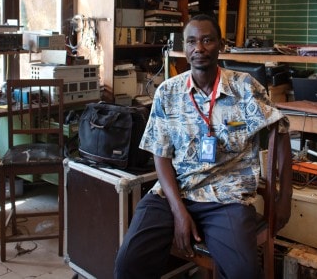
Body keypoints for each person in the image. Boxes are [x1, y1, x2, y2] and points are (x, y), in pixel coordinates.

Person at [114, 14, 293, 279]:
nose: (199, 48)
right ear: (184, 49)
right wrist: (178, 211)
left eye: (207, 40)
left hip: (226, 196)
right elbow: (160, 154)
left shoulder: (243, 87)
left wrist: (285, 198)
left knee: (243, 273)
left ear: (220, 45)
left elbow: (281, 134)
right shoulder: (168, 92)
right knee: (129, 264)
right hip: (174, 192)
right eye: (192, 41)